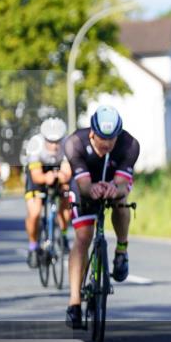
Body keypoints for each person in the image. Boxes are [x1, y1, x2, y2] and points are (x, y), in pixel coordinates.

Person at [62, 105, 140, 328]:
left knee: (121, 203)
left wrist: (116, 189)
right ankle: (74, 302)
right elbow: (84, 185)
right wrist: (91, 189)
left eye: (111, 141)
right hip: (84, 184)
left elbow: (124, 184)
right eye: (101, 142)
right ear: (91, 133)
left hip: (114, 182)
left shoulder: (129, 144)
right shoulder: (74, 143)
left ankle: (121, 251)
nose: (106, 146)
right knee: (83, 237)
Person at [23, 117, 73, 266]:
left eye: (57, 141)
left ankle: (63, 235)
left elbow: (67, 172)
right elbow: (36, 176)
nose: (54, 145)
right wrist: (47, 177)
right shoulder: (35, 144)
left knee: (66, 194)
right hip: (39, 172)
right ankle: (33, 246)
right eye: (50, 142)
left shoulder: (68, 144)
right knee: (35, 212)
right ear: (44, 138)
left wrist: (60, 177)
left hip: (58, 170)